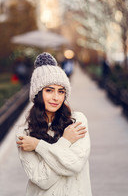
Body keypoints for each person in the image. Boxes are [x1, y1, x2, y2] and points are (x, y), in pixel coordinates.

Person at [16, 52, 92, 196]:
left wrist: (38, 146)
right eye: (49, 90)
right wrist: (66, 142)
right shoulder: (24, 132)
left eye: (61, 91)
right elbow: (41, 179)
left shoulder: (77, 121)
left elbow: (75, 164)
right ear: (38, 93)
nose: (56, 97)